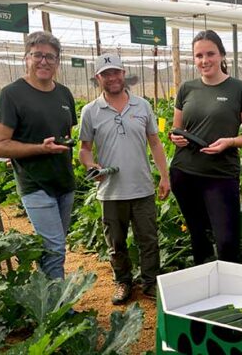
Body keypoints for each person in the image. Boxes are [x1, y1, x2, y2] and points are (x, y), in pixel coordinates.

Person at [79, 53, 170, 305]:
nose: (112, 78)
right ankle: (123, 282)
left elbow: (155, 142)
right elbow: (84, 149)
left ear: (123, 73)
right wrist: (90, 164)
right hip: (110, 191)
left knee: (148, 240)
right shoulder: (90, 111)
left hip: (142, 188)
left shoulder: (143, 106)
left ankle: (151, 283)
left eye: (116, 72)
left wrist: (164, 175)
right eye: (106, 74)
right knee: (116, 243)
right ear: (98, 78)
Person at [0, 31, 77, 280]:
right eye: (37, 55)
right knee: (54, 248)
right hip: (34, 183)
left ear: (57, 62)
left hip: (64, 182)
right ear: (26, 58)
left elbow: (66, 134)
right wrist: (40, 148)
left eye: (50, 57)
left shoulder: (64, 94)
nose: (44, 61)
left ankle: (46, 295)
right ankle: (57, 309)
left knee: (54, 246)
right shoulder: (11, 95)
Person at [169, 30, 242, 265]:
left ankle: (228, 287)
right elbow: (177, 129)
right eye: (198, 56)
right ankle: (205, 285)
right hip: (184, 173)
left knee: (227, 240)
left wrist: (230, 142)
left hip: (220, 174)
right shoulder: (187, 89)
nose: (204, 60)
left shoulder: (239, 89)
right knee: (198, 236)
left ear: (222, 55)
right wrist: (174, 137)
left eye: (210, 54)